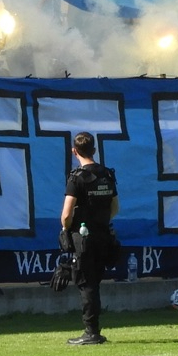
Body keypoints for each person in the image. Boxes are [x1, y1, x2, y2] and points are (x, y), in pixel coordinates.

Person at [62, 131, 120, 344]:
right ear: (94, 150)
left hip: (84, 237)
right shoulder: (107, 174)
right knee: (94, 282)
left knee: (86, 284)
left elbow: (67, 214)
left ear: (74, 151)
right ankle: (93, 329)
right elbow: (115, 207)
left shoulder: (76, 177)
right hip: (104, 235)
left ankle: (91, 331)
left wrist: (66, 229)